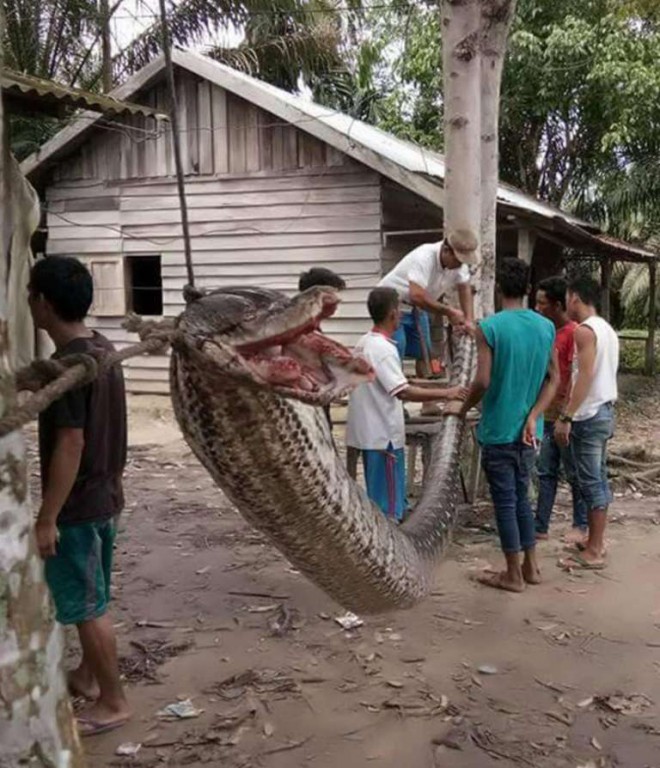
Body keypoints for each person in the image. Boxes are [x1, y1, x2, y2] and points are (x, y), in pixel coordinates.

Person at [28, 256, 131, 736]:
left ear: (42, 303)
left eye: (31, 295)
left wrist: (48, 517)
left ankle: (113, 702)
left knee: (88, 608)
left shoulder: (70, 367)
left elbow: (72, 442)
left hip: (80, 505)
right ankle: (88, 678)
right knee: (94, 593)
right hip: (106, 495)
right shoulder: (103, 350)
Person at [449, 258, 558, 592]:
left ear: (499, 289)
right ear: (527, 289)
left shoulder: (491, 327)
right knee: (522, 497)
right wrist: (534, 415)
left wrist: (464, 406)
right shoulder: (545, 327)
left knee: (506, 502)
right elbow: (554, 379)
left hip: (498, 429)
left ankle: (511, 574)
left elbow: (482, 379)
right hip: (530, 431)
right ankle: (531, 566)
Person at [346, 287, 467, 521]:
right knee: (389, 506)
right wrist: (447, 393)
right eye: (399, 312)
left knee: (379, 496)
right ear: (393, 314)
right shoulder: (383, 349)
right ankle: (391, 540)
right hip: (384, 436)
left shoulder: (363, 343)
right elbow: (403, 392)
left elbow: (392, 383)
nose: (401, 316)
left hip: (367, 433)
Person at [555, 276, 619, 570]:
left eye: (567, 297)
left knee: (591, 481)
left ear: (575, 298)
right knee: (597, 478)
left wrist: (567, 415)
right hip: (604, 410)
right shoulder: (607, 329)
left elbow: (586, 375)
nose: (565, 303)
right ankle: (596, 540)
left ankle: (594, 549)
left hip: (590, 414)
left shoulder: (584, 331)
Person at [377, 231, 478, 379]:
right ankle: (393, 393)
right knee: (396, 349)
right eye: (457, 260)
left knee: (424, 353)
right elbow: (416, 295)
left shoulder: (458, 265)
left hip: (417, 307)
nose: (459, 265)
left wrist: (469, 319)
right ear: (446, 251)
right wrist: (449, 312)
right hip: (391, 305)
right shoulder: (424, 257)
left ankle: (426, 392)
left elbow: (464, 287)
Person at [534, 276, 588, 541]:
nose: (537, 308)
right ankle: (540, 526)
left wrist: (566, 415)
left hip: (565, 416)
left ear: (556, 305)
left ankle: (580, 525)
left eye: (542, 303)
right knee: (546, 472)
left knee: (573, 473)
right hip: (546, 413)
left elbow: (574, 377)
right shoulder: (545, 331)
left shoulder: (573, 333)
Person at [298, 267, 346, 432]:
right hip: (307, 415)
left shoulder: (313, 326)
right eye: (333, 294)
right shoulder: (299, 329)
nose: (338, 300)